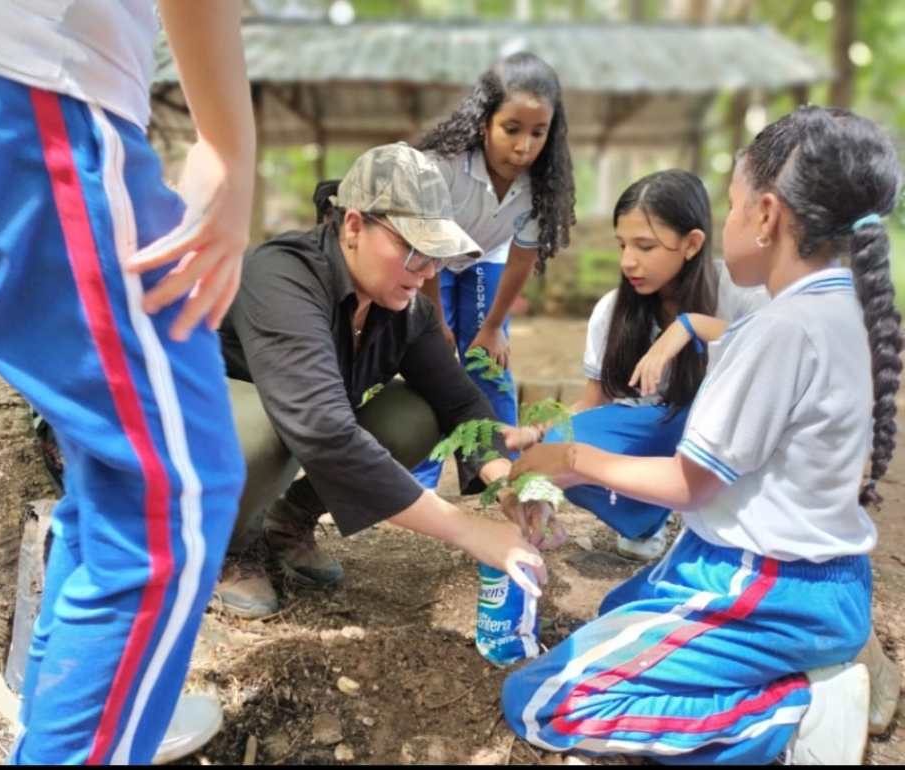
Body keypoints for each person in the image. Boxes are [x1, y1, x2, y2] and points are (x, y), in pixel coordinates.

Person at [0, 2, 254, 764]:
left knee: (115, 480)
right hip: (14, 82)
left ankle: (58, 729)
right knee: (175, 487)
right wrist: (229, 146)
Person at [502, 106, 901, 764]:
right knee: (617, 607)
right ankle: (795, 674)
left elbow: (689, 482)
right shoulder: (840, 309)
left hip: (764, 586)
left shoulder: (783, 330)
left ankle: (796, 716)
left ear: (768, 215)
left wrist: (570, 455)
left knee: (545, 700)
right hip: (812, 578)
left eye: (736, 203)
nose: (730, 221)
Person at [215, 142, 551, 619]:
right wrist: (468, 530)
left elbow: (460, 404)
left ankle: (287, 523)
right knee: (267, 428)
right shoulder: (283, 276)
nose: (427, 272)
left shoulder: (403, 306)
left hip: (296, 422)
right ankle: (227, 547)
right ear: (353, 224)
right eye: (414, 250)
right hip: (209, 424)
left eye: (436, 256)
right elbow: (323, 429)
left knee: (418, 413)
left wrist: (506, 483)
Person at [537, 170, 767, 561]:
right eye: (623, 244)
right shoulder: (613, 312)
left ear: (691, 244)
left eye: (645, 246)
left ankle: (720, 522)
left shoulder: (741, 292)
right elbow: (595, 404)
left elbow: (771, 352)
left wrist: (689, 326)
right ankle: (646, 519)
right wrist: (542, 435)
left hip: (730, 442)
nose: (628, 261)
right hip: (661, 434)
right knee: (559, 445)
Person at [409, 51, 577, 489]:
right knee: (433, 359)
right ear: (484, 122)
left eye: (538, 133)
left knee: (487, 361)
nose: (524, 147)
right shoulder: (444, 167)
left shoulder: (541, 185)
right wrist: (436, 323)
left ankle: (494, 474)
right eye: (511, 129)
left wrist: (494, 326)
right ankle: (418, 481)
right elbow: (425, 245)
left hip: (485, 259)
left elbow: (523, 255)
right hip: (431, 261)